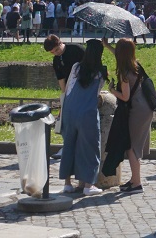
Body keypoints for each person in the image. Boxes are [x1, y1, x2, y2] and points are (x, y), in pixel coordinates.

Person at [58, 38, 107, 197]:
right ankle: (88, 184)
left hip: (70, 110)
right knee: (90, 147)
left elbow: (69, 88)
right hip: (88, 112)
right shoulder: (101, 71)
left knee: (69, 146)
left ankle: (67, 184)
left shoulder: (76, 67)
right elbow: (98, 91)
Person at [107, 38, 155, 192]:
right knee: (132, 146)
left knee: (131, 147)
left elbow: (125, 97)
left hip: (137, 110)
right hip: (145, 107)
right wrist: (107, 46)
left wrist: (112, 90)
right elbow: (120, 54)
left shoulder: (124, 73)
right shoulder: (135, 64)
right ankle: (134, 179)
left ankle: (137, 184)